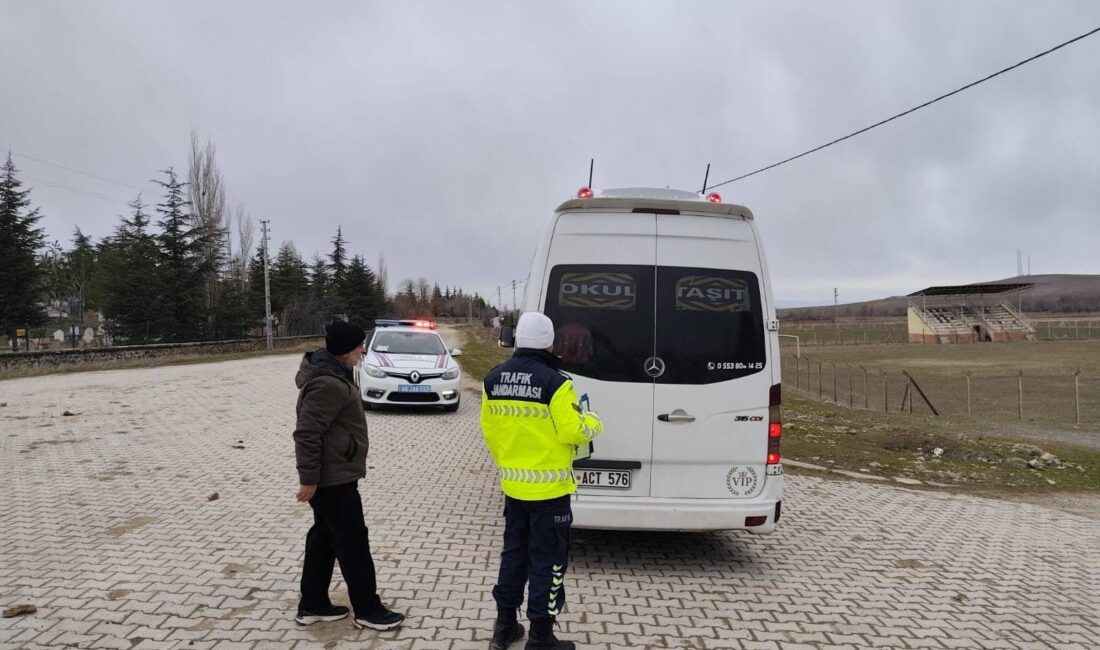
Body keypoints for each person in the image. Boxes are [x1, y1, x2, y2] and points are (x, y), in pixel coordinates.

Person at [480, 312, 604, 650]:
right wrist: (593, 422)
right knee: (548, 563)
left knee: (513, 557)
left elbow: (489, 431)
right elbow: (572, 431)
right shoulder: (557, 383)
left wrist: (511, 461)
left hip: (514, 488)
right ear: (551, 343)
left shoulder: (493, 379)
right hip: (550, 492)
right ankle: (541, 637)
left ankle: (504, 627)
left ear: (518, 339)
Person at [292, 321, 405, 631]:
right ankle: (368, 610)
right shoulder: (327, 383)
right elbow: (306, 433)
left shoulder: (336, 374)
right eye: (359, 346)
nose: (363, 350)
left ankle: (312, 604)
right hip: (332, 480)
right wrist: (309, 479)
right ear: (346, 350)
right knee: (353, 542)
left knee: (324, 539)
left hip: (336, 473)